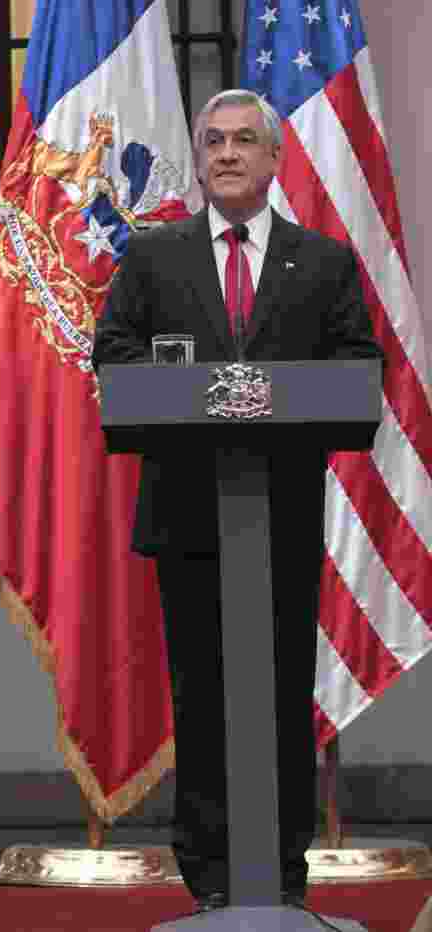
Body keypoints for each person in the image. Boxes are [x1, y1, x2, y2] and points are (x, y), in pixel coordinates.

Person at [92, 89, 382, 911]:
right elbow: (112, 355)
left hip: (281, 518)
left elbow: (360, 366)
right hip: (188, 517)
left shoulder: (323, 262)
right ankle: (212, 884)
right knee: (204, 702)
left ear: (274, 158)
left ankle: (281, 880)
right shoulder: (153, 258)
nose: (227, 153)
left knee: (283, 699)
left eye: (244, 140)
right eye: (213, 141)